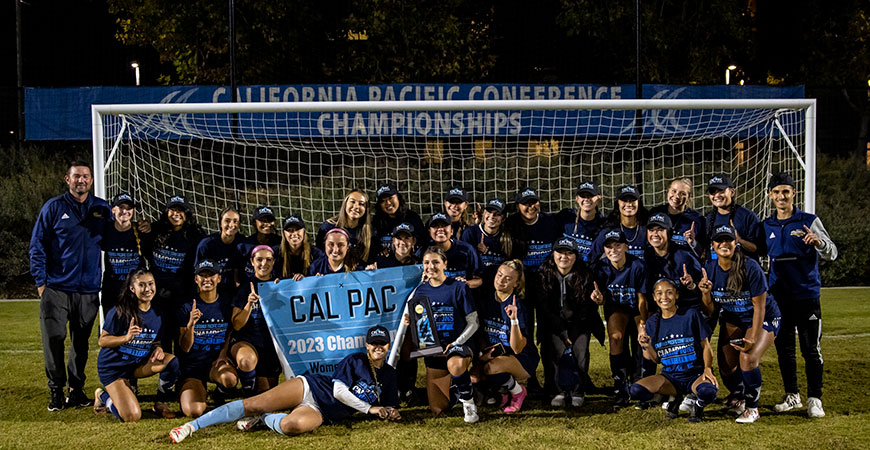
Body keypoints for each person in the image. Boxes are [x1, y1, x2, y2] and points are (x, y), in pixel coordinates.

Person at [169, 325, 400, 443]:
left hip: (325, 412)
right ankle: (191, 427)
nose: (378, 347)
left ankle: (265, 418)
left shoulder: (389, 374)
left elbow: (389, 404)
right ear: (367, 346)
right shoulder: (356, 360)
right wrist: (370, 409)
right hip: (311, 387)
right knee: (253, 404)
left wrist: (391, 412)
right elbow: (339, 391)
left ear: (388, 346)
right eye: (374, 343)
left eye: (382, 343)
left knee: (292, 426)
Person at [29, 161, 111, 410]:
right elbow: (37, 246)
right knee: (54, 339)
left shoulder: (101, 208)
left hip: (87, 290)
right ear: (67, 179)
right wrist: (41, 283)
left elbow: (114, 237)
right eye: (76, 176)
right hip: (56, 288)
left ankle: (76, 390)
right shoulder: (54, 207)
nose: (81, 180)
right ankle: (56, 390)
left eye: (85, 176)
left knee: (80, 343)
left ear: (91, 180)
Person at [761, 173, 838, 418]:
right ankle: (792, 395)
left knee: (810, 349)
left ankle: (815, 398)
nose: (781, 196)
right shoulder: (767, 225)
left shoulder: (809, 220)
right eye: (776, 192)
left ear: (794, 193)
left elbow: (832, 253)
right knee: (784, 350)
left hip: (806, 297)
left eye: (786, 191)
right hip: (778, 299)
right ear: (770, 195)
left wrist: (818, 243)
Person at [698, 225, 781, 423]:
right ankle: (739, 394)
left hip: (763, 317)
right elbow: (710, 310)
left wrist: (752, 337)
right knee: (726, 366)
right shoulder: (709, 268)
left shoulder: (749, 267)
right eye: (719, 240)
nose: (724, 244)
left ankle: (753, 408)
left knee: (747, 358)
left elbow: (759, 307)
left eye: (728, 240)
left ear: (735, 243)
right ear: (713, 245)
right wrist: (705, 293)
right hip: (733, 317)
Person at [94, 269, 179, 421]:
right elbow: (103, 341)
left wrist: (158, 348)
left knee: (171, 361)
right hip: (114, 368)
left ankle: (160, 403)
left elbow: (155, 340)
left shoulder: (158, 313)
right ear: (132, 289)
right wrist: (125, 338)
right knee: (131, 416)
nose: (147, 289)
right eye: (142, 285)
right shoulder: (120, 311)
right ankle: (103, 396)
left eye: (150, 284)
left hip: (136, 365)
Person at [631, 278, 718, 423]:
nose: (664, 297)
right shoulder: (652, 322)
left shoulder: (690, 315)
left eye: (669, 293)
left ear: (677, 295)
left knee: (709, 392)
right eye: (659, 293)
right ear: (654, 297)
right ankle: (675, 398)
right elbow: (655, 359)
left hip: (694, 375)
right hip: (670, 377)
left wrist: (708, 369)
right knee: (636, 390)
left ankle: (698, 406)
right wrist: (645, 345)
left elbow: (706, 345)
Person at [411, 247, 480, 423]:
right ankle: (463, 387)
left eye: (435, 262)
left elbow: (474, 322)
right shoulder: (420, 291)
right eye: (426, 262)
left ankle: (469, 403)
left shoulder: (458, 287)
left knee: (455, 365)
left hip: (458, 346)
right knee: (438, 408)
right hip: (435, 350)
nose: (430, 266)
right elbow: (421, 325)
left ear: (445, 264)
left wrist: (456, 343)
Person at [538, 238, 605, 407]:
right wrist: (561, 330)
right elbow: (544, 307)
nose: (564, 257)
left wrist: (574, 330)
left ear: (576, 256)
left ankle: (577, 391)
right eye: (560, 252)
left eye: (569, 253)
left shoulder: (585, 274)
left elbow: (587, 309)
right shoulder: (543, 274)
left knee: (580, 354)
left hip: (579, 323)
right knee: (553, 354)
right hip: (553, 323)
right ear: (553, 253)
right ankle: (556, 390)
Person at [475, 260, 539, 413]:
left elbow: (517, 348)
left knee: (490, 368)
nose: (501, 280)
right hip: (497, 353)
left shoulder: (518, 306)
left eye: (508, 279)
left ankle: (518, 391)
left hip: (522, 359)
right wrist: (482, 354)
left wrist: (514, 320)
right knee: (475, 375)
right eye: (499, 275)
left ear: (516, 284)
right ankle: (503, 390)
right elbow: (482, 334)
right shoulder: (487, 299)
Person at [176, 259, 238, 418]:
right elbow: (184, 347)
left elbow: (231, 329)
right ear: (196, 279)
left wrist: (223, 353)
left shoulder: (226, 302)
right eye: (202, 276)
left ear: (219, 278)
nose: (207, 279)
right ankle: (191, 387)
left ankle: (219, 392)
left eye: (211, 275)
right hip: (192, 367)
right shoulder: (187, 306)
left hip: (214, 364)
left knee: (230, 379)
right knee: (194, 411)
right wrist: (191, 325)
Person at [593, 230, 648, 406]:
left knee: (642, 339)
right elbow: (600, 296)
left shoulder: (638, 265)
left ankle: (640, 383)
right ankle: (620, 385)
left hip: (636, 308)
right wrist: (599, 299)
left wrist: (642, 324)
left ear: (626, 246)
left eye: (618, 245)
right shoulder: (601, 268)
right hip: (617, 308)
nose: (613, 250)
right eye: (609, 246)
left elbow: (642, 299)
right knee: (616, 338)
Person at [149, 195, 205, 352]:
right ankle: (166, 376)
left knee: (182, 339)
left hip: (183, 296)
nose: (176, 214)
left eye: (181, 210)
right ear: (166, 212)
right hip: (158, 296)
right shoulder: (155, 230)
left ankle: (184, 376)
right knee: (162, 339)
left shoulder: (196, 235)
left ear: (187, 213)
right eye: (173, 210)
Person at [231, 246, 282, 396]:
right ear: (252, 262)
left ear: (273, 263)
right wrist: (249, 304)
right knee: (259, 393)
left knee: (270, 394)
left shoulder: (280, 285)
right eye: (259, 259)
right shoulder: (245, 288)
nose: (263, 263)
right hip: (249, 342)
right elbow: (237, 325)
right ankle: (247, 391)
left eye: (268, 260)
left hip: (271, 345)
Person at [101, 193, 150, 313]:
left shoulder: (141, 232)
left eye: (129, 208)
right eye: (121, 207)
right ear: (113, 210)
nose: (125, 211)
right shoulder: (105, 230)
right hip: (112, 291)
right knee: (111, 328)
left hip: (135, 291)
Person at [703, 174, 762, 260]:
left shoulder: (747, 216)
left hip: (743, 270)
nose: (717, 195)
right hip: (718, 271)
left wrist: (740, 241)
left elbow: (759, 249)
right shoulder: (708, 218)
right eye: (713, 192)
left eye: (721, 191)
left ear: (732, 192)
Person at [418, 212, 482, 288]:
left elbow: (479, 280)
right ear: (429, 231)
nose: (440, 229)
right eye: (436, 226)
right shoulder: (422, 252)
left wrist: (464, 284)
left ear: (452, 231)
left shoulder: (467, 249)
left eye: (444, 226)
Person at [196, 207, 244, 300]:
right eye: (227, 220)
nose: (231, 224)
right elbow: (198, 273)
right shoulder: (206, 245)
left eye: (235, 221)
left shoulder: (242, 244)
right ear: (220, 223)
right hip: (212, 290)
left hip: (233, 291)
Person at [650, 178, 706, 258]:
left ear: (689, 196)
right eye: (674, 191)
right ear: (668, 191)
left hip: (684, 267)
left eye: (682, 193)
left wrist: (693, 242)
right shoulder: (655, 213)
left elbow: (702, 254)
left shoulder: (697, 219)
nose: (676, 196)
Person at [316, 189, 375, 263]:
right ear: (345, 203)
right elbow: (319, 254)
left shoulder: (370, 232)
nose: (356, 206)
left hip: (358, 272)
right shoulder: (328, 227)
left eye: (361, 204)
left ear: (366, 209)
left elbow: (371, 258)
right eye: (353, 202)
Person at [460, 199, 512, 282]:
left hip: (498, 284)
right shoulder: (471, 233)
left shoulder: (507, 238)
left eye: (497, 214)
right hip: (476, 283)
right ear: (484, 213)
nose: (492, 216)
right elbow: (464, 263)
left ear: (503, 218)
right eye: (489, 212)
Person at [592, 185, 649, 262]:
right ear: (618, 202)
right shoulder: (608, 231)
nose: (629, 204)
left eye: (632, 200)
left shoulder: (648, 230)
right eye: (624, 200)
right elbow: (592, 258)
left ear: (638, 202)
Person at [556, 181, 606, 265]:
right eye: (583, 196)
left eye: (591, 195)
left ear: (599, 197)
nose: (586, 199)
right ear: (577, 198)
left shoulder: (603, 225)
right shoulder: (566, 216)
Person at [372, 184, 426, 252]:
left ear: (398, 198)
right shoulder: (377, 222)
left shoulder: (412, 218)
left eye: (390, 198)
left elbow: (423, 243)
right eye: (383, 201)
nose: (388, 203)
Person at [238, 206, 281, 280]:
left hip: (275, 286)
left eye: (270, 220)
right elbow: (237, 272)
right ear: (254, 223)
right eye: (263, 220)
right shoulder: (245, 245)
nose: (267, 224)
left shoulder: (280, 243)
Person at [276, 215, 323, 280]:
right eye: (289, 230)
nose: (294, 233)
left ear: (304, 231)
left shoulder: (316, 254)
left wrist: (304, 280)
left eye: (297, 229)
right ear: (284, 233)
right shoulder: (277, 253)